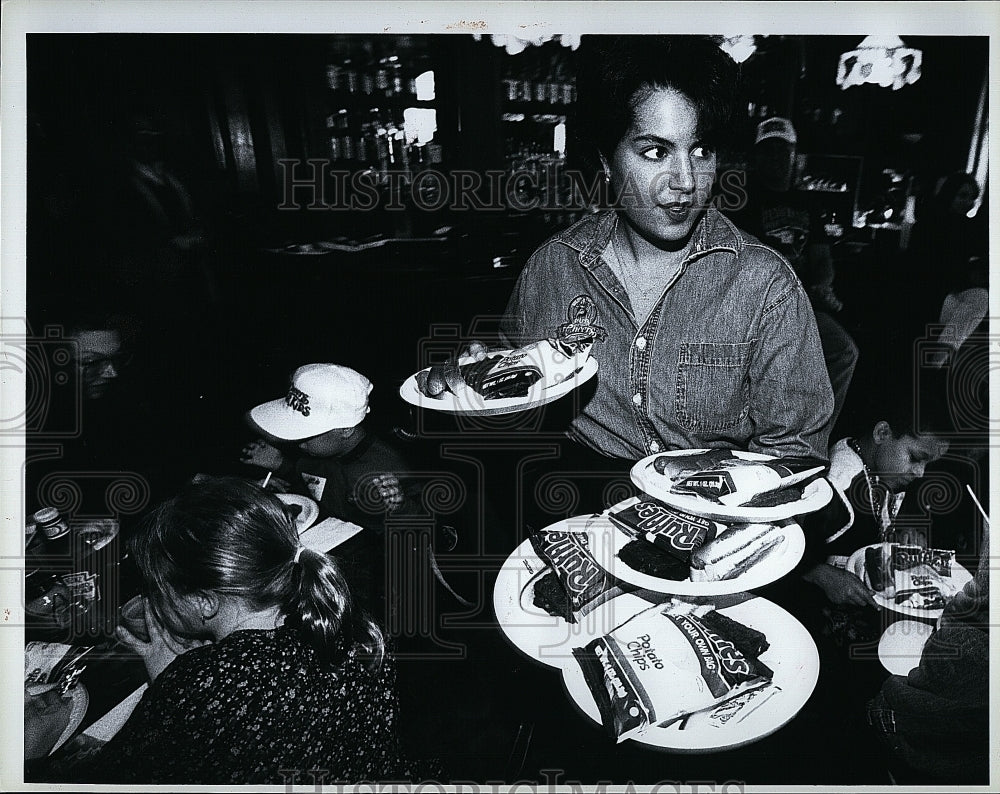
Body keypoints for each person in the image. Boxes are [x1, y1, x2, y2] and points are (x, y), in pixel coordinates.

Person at [500, 36, 834, 471]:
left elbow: (797, 458)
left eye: (700, 150)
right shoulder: (552, 268)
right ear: (606, 160)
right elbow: (510, 398)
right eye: (656, 151)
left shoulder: (765, 286)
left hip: (715, 521)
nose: (685, 180)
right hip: (577, 517)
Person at [73, 477, 422, 784]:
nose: (153, 599)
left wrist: (169, 687)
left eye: (157, 589)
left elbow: (121, 776)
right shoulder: (349, 623)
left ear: (203, 602)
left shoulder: (196, 690)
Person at [240, 364, 422, 612]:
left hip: (375, 562)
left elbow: (423, 529)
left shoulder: (385, 467)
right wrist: (281, 465)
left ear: (346, 429)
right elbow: (312, 477)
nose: (296, 443)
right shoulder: (317, 449)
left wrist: (398, 507)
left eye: (304, 435)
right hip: (324, 539)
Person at [727, 116, 859, 433]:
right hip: (756, 303)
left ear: (793, 155)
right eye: (768, 150)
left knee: (844, 351)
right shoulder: (741, 201)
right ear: (756, 157)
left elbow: (821, 255)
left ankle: (815, 436)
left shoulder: (806, 202)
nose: (776, 158)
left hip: (804, 302)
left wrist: (823, 286)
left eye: (782, 151)